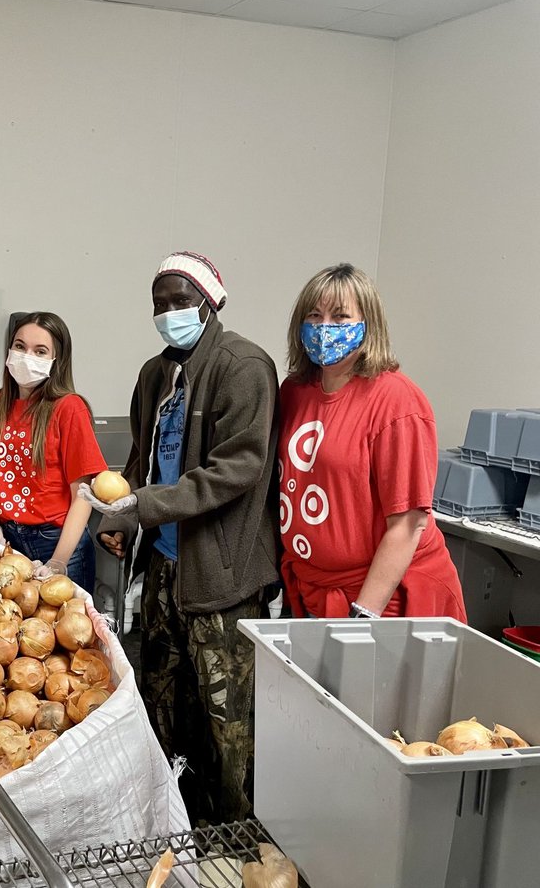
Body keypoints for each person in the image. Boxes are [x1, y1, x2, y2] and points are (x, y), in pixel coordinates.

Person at [83, 251, 279, 826]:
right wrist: (120, 518)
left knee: (228, 723)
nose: (170, 312)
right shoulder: (154, 374)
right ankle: (174, 823)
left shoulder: (244, 366)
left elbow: (238, 468)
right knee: (163, 705)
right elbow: (141, 461)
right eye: (160, 304)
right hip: (166, 568)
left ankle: (237, 834)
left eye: (181, 300)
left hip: (222, 576)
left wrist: (143, 506)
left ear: (211, 299)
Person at [278, 263, 466, 622]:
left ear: (369, 325)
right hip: (313, 589)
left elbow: (408, 523)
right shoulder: (295, 392)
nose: (324, 327)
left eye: (340, 316)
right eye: (314, 316)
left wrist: (363, 616)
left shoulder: (397, 401)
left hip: (384, 599)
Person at [0, 312, 106, 588]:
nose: (26, 356)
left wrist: (59, 561)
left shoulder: (69, 408)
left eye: (40, 351)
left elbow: (83, 495)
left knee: (61, 627)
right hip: (8, 541)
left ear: (57, 361)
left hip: (57, 540)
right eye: (20, 346)